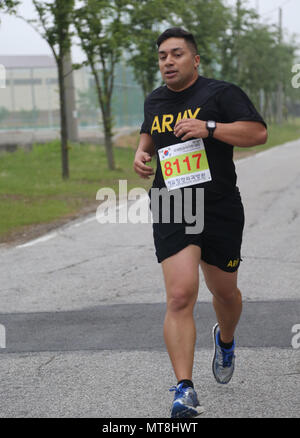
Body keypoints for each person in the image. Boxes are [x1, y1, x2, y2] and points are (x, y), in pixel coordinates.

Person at [133, 27, 267, 418]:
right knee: (180, 294)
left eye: (176, 54)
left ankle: (225, 341)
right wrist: (141, 155)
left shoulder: (221, 94)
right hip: (174, 203)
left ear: (194, 59)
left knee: (225, 293)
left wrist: (208, 128)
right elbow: (148, 135)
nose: (168, 62)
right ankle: (184, 390)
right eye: (162, 56)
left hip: (220, 205)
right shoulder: (155, 100)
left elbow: (257, 133)